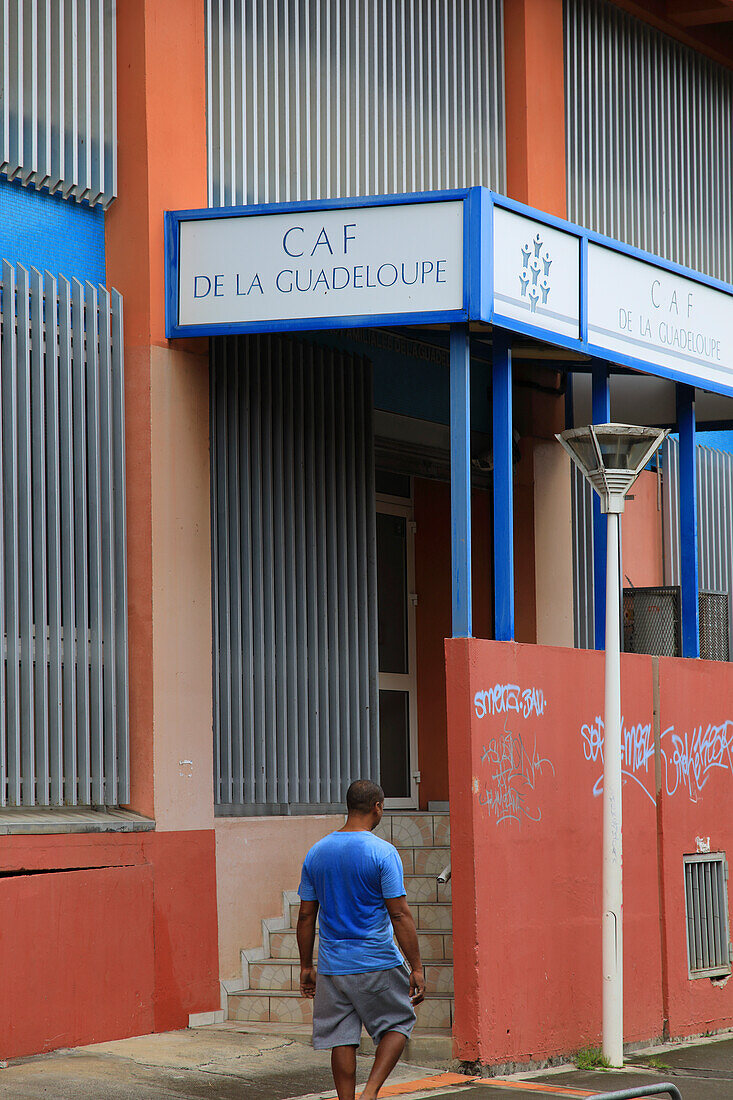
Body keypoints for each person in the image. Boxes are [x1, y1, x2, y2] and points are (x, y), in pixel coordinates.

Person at [297, 779, 426, 1100]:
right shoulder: (383, 852)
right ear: (377, 807)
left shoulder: (317, 852)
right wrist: (417, 966)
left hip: (332, 965)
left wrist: (305, 967)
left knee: (341, 1037)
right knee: (399, 1023)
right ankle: (369, 1093)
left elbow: (305, 916)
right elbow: (399, 914)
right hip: (376, 961)